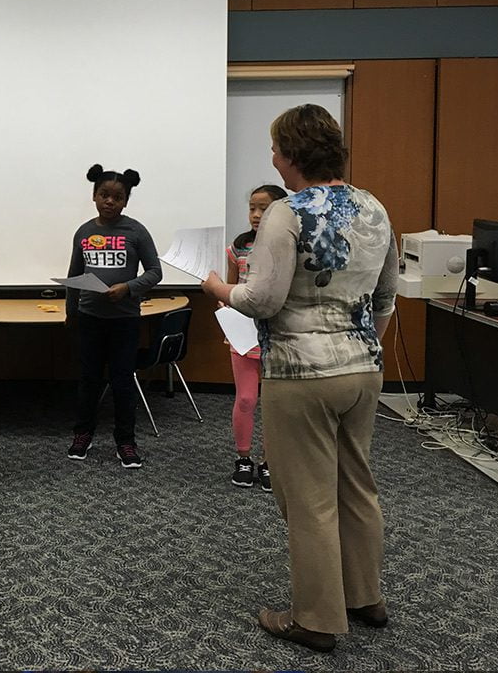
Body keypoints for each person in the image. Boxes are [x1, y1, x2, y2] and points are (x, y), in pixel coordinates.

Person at [203, 104, 399, 653]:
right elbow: (386, 296)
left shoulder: (285, 213)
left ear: (290, 155)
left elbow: (261, 300)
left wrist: (217, 288)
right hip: (363, 367)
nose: (272, 157)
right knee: (356, 485)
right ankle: (365, 597)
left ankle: (316, 619)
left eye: (274, 148)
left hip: (301, 372)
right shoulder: (373, 206)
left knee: (308, 498)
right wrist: (363, 347)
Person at [65, 164, 162, 469]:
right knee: (89, 380)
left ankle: (126, 441)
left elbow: (155, 272)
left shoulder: (136, 231)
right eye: (104, 195)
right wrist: (71, 313)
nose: (109, 201)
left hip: (124, 320)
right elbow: (74, 275)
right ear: (94, 196)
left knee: (122, 382)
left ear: (125, 201)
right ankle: (83, 434)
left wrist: (128, 288)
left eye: (117, 197)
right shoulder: (84, 232)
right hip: (90, 318)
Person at [225, 183, 287, 492]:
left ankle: (269, 461)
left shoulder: (289, 245)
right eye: (252, 208)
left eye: (264, 208)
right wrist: (225, 306)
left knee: (275, 403)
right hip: (244, 334)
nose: (256, 214)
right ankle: (244, 458)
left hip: (278, 335)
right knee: (247, 398)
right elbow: (230, 288)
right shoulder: (239, 247)